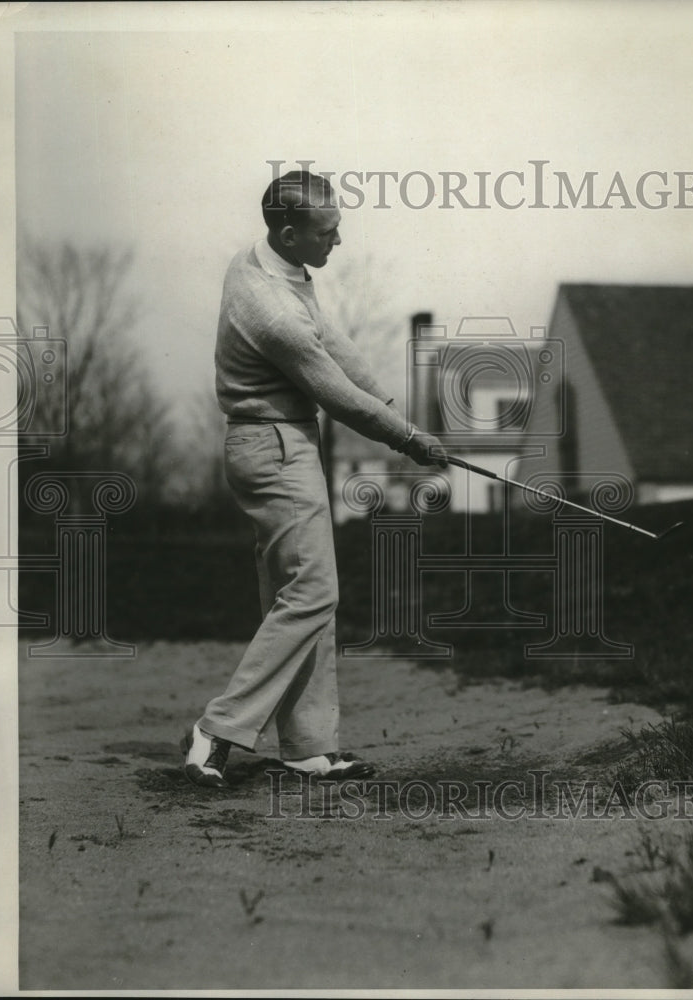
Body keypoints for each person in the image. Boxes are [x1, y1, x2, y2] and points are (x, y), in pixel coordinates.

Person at [182, 169, 447, 787]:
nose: (338, 241)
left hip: (285, 443)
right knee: (312, 593)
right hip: (273, 448)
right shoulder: (269, 309)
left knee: (301, 592)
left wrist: (391, 405)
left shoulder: (268, 262)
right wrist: (407, 439)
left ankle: (307, 746)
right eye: (326, 232)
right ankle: (216, 730)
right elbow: (333, 390)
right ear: (287, 229)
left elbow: (334, 343)